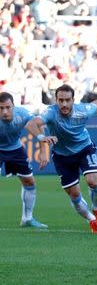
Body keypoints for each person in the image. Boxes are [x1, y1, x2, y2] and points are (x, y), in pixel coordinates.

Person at [25, 84, 97, 234]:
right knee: (74, 195)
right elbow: (31, 124)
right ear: (56, 100)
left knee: (93, 181)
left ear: (73, 100)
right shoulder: (51, 112)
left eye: (67, 100)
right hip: (62, 156)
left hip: (84, 149)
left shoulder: (83, 110)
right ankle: (91, 219)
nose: (64, 104)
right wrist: (42, 138)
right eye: (61, 100)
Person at [0, 92, 48, 228]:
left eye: (8, 107)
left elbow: (39, 126)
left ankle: (27, 219)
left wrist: (44, 151)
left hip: (15, 149)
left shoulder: (23, 113)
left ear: (13, 107)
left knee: (29, 182)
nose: (4, 111)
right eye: (1, 108)